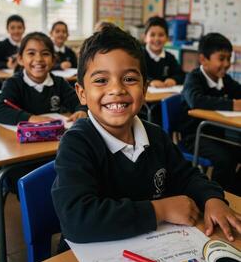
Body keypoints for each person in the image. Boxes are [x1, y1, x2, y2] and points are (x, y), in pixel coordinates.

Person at [52, 27, 241, 246]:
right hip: (91, 252)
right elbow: (77, 221)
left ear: (144, 89)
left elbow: (188, 176)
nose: (117, 89)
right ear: (81, 93)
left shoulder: (155, 136)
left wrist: (212, 198)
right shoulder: (77, 144)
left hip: (155, 244)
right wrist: (160, 210)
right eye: (101, 80)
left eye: (130, 79)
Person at [180, 32, 241, 195]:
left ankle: (234, 192)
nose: (226, 64)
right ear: (203, 59)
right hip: (194, 137)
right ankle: (216, 196)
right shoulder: (193, 78)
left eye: (229, 59)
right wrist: (233, 104)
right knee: (225, 160)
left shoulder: (224, 80)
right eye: (221, 59)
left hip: (218, 135)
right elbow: (196, 101)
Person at [0, 32, 87, 125]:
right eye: (31, 53)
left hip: (53, 136)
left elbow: (80, 102)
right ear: (20, 59)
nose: (39, 59)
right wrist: (31, 118)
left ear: (53, 60)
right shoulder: (13, 83)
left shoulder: (59, 83)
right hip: (19, 137)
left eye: (45, 53)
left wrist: (82, 111)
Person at [143, 16, 185, 88]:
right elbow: (134, 76)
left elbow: (181, 75)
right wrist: (150, 82)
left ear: (167, 38)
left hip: (165, 95)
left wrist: (174, 80)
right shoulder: (138, 56)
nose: (157, 39)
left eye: (161, 35)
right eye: (152, 35)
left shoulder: (170, 57)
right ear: (145, 38)